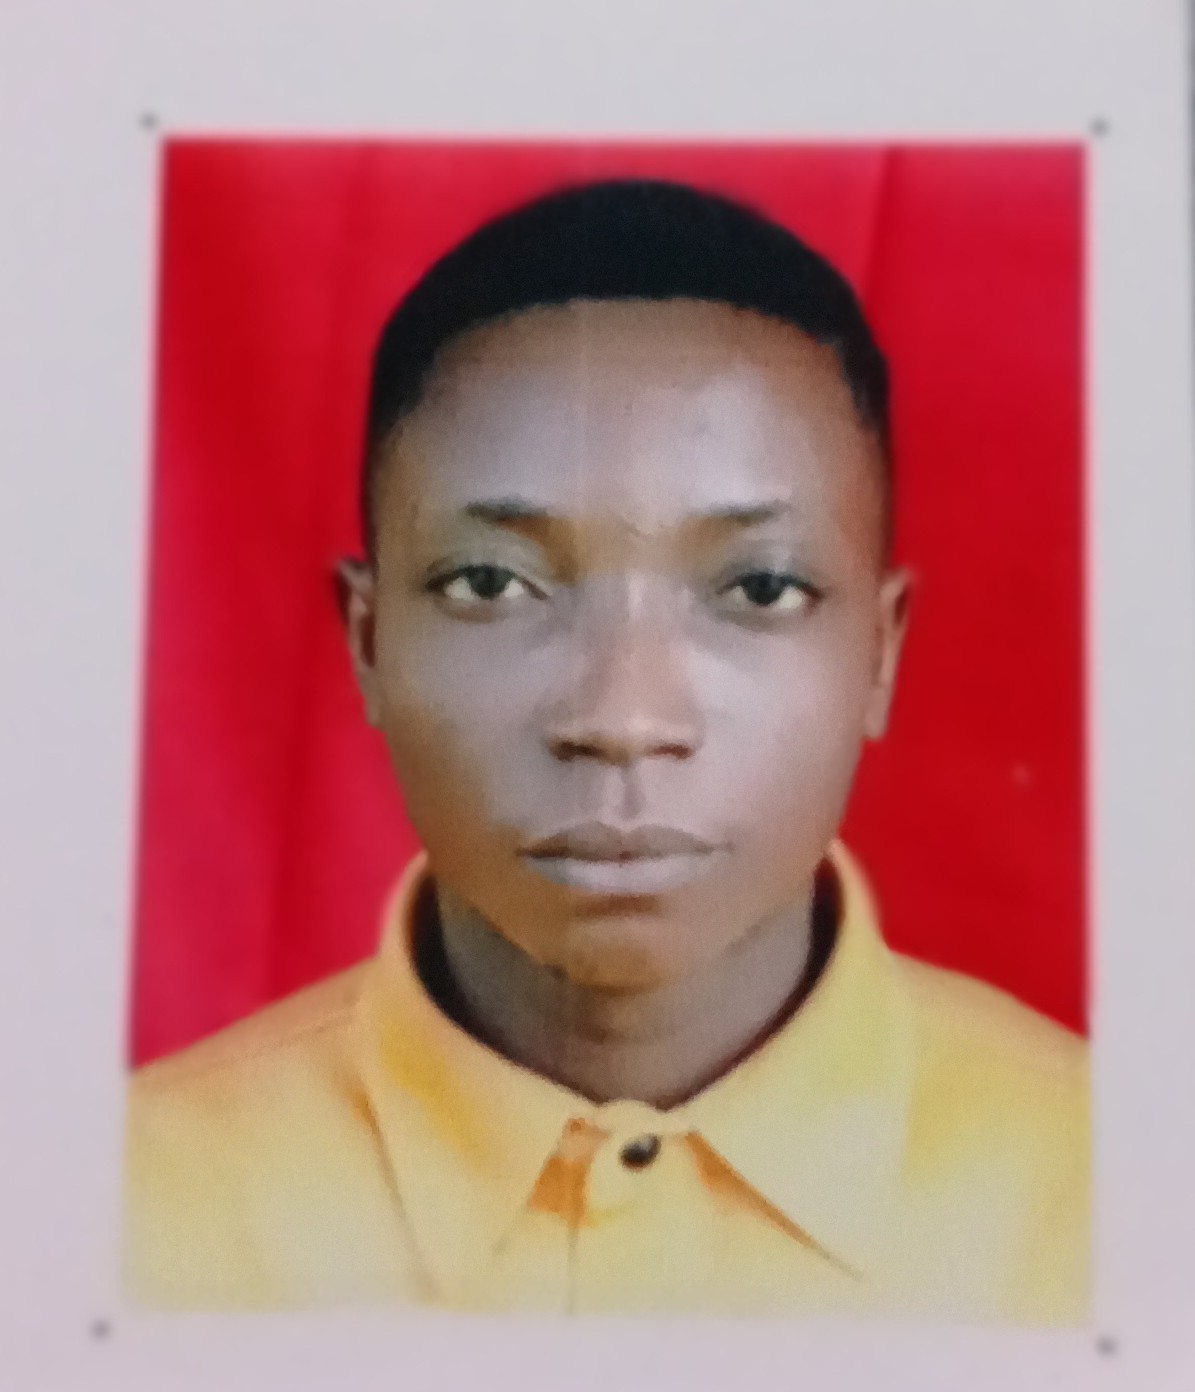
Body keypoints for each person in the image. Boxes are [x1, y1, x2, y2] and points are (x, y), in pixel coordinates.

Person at [125, 179, 1089, 1321]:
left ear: (878, 654)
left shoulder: (1109, 1194)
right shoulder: (120, 1211)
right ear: (369, 641)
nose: (623, 718)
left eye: (758, 589)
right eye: (492, 584)